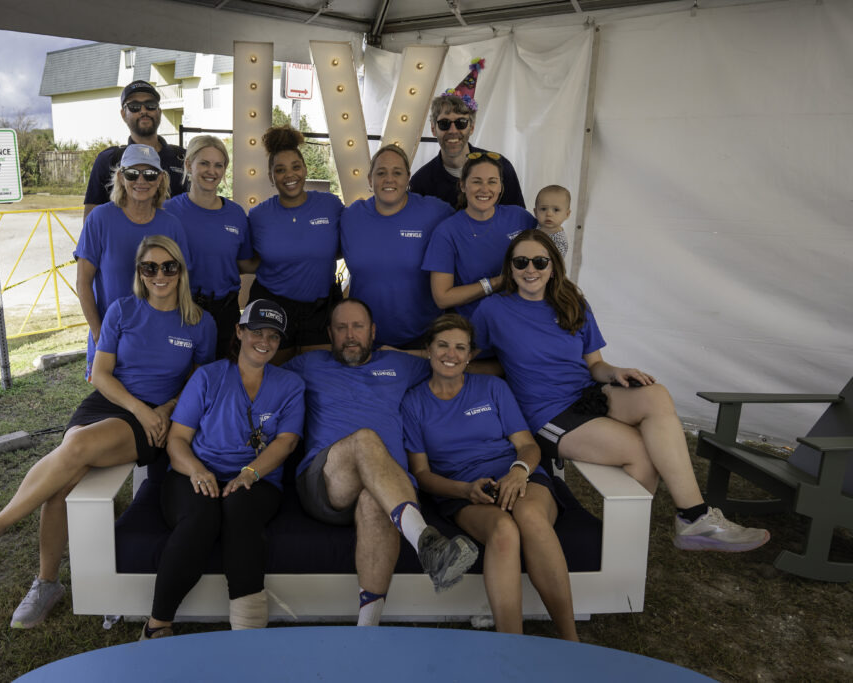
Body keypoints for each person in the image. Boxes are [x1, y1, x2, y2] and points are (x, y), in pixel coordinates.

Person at [0, 235, 215, 628]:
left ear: (181, 271)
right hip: (113, 403)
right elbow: (100, 375)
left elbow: (198, 381)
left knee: (77, 448)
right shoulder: (122, 310)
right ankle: (45, 583)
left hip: (153, 421)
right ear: (139, 273)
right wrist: (137, 406)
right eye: (149, 267)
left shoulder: (200, 323)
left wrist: (165, 410)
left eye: (168, 266)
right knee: (63, 482)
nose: (160, 275)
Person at [471, 230, 770, 552]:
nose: (531, 269)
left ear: (553, 266)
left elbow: (594, 364)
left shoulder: (571, 301)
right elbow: (468, 357)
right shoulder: (493, 310)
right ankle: (629, 546)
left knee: (656, 394)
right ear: (510, 267)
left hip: (587, 392)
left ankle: (690, 518)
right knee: (643, 453)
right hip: (546, 412)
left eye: (540, 261)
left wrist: (615, 372)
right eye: (521, 261)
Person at [283, 298, 479, 626]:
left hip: (387, 488)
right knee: (365, 439)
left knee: (374, 500)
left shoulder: (399, 365)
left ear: (373, 332)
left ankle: (367, 632)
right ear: (329, 333)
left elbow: (449, 363)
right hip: (327, 481)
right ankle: (427, 543)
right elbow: (256, 376)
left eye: (358, 327)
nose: (350, 335)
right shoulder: (308, 364)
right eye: (341, 328)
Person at [402, 314, 577, 639]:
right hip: (463, 491)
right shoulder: (413, 403)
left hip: (518, 476)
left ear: (470, 355)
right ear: (428, 350)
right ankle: (511, 645)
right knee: (504, 530)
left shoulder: (492, 387)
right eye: (442, 345)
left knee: (529, 516)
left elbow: (527, 445)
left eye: (460, 348)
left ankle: (572, 640)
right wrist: (465, 490)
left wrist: (518, 472)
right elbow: (422, 474)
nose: (450, 354)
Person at [141, 299, 304, 639]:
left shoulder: (290, 385)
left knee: (239, 504)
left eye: (273, 336)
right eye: (256, 331)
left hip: (258, 479)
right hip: (193, 472)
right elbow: (177, 440)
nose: (265, 341)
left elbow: (286, 442)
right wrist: (198, 472)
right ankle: (158, 623)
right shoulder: (208, 376)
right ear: (239, 331)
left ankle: (247, 630)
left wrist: (249, 474)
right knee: (202, 514)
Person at [75, 143, 190, 377]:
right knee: (112, 404)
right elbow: (83, 283)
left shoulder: (171, 224)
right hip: (111, 337)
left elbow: (182, 283)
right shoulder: (100, 219)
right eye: (132, 173)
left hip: (157, 337)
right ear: (120, 177)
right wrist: (99, 335)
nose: (141, 180)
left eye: (149, 174)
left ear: (160, 179)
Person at [340, 144, 453, 348]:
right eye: (381, 173)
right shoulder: (350, 217)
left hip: (422, 339)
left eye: (397, 173)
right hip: (363, 340)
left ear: (408, 178)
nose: (389, 179)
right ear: (369, 179)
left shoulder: (435, 212)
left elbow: (469, 232)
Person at [249, 125, 344, 364]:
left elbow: (348, 245)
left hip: (321, 309)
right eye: (280, 170)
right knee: (273, 378)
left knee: (318, 377)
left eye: (296, 167)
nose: (289, 175)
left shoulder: (330, 205)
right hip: (273, 307)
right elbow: (246, 260)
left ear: (305, 169)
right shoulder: (258, 216)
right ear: (271, 177)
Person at [165, 135, 258, 359]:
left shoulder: (236, 214)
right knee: (184, 379)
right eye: (204, 163)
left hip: (226, 312)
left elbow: (243, 263)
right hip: (182, 309)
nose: (212, 171)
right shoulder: (169, 212)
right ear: (189, 165)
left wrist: (284, 254)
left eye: (219, 165)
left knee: (223, 377)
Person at [422, 151, 536, 319]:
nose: (485, 189)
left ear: (500, 187)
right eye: (476, 182)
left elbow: (549, 259)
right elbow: (442, 298)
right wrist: (497, 282)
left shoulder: (520, 218)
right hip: (474, 328)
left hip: (521, 320)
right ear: (462, 185)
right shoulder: (447, 232)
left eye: (492, 182)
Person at [409, 61, 525, 210]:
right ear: (433, 129)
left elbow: (519, 224)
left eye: (461, 123)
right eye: (444, 123)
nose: (452, 130)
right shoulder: (421, 182)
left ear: (471, 128)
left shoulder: (501, 168)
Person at [83, 80, 187, 219]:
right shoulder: (108, 160)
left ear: (159, 112)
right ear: (123, 114)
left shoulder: (183, 158)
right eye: (134, 106)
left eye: (150, 105)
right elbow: (91, 221)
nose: (143, 111)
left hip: (174, 240)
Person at [533, 185, 571, 257]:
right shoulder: (533, 225)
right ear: (535, 212)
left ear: (567, 214)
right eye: (543, 209)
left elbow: (554, 264)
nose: (549, 214)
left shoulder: (559, 242)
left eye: (556, 210)